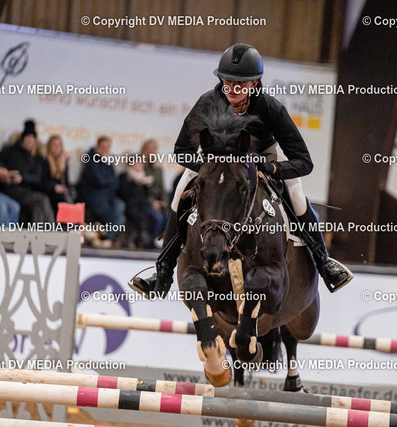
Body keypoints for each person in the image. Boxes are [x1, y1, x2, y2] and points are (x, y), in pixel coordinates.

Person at [131, 43, 353, 296]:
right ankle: (163, 271)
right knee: (179, 193)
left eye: (240, 84)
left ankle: (324, 263)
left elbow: (304, 161)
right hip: (214, 163)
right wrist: (211, 167)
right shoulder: (207, 102)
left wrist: (271, 167)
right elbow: (182, 150)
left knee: (296, 196)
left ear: (254, 83)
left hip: (262, 157)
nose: (232, 90)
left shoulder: (270, 108)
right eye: (228, 82)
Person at [0, 120, 55, 223]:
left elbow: (38, 178)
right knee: (42, 199)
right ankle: (50, 229)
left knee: (38, 205)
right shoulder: (10, 151)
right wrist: (6, 174)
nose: (30, 141)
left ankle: (45, 230)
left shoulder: (36, 157)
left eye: (32, 139)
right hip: (9, 188)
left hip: (27, 190)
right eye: (27, 138)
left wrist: (22, 178)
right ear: (22, 139)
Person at [76, 136, 125, 247]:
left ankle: (103, 236)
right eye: (103, 146)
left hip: (109, 196)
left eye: (108, 146)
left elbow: (115, 182)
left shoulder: (108, 161)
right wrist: (110, 180)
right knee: (113, 214)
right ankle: (102, 236)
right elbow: (99, 180)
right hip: (93, 196)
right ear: (98, 146)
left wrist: (109, 181)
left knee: (121, 207)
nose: (106, 149)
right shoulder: (91, 159)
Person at [118, 161, 164, 248]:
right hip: (130, 206)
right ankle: (142, 239)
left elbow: (147, 196)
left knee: (158, 217)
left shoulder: (144, 177)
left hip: (144, 205)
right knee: (140, 217)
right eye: (137, 163)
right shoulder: (125, 177)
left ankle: (151, 240)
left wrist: (147, 187)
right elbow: (123, 193)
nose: (140, 165)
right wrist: (135, 183)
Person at [43, 134, 74, 213]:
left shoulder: (64, 161)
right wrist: (54, 187)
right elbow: (42, 181)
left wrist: (67, 189)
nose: (56, 148)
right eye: (54, 145)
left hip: (62, 192)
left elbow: (66, 181)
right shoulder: (44, 161)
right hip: (49, 192)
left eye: (58, 145)